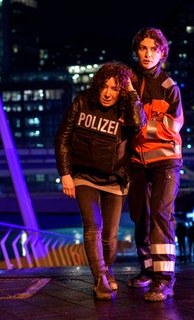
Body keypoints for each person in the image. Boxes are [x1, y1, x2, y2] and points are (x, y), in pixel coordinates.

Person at [55, 61, 146, 300]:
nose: (108, 93)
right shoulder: (82, 101)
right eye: (105, 87)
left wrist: (132, 94)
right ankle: (100, 280)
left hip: (116, 178)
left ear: (122, 91)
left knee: (110, 235)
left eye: (115, 88)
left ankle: (106, 270)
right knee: (93, 225)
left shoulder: (127, 109)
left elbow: (138, 125)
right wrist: (65, 174)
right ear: (98, 86)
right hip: (84, 175)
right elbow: (62, 137)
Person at [126, 27, 184, 302]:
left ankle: (164, 280)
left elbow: (173, 127)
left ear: (162, 53)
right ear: (137, 51)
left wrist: (141, 127)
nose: (148, 54)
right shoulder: (128, 82)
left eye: (153, 49)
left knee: (161, 214)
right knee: (140, 216)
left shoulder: (168, 87)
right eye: (143, 48)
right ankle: (148, 270)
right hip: (136, 161)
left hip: (165, 161)